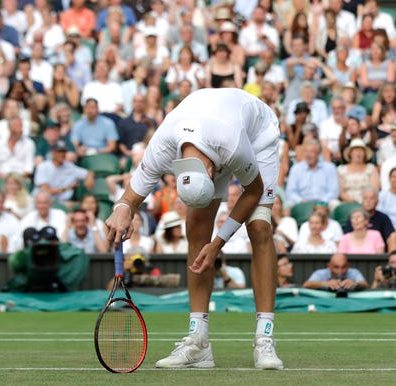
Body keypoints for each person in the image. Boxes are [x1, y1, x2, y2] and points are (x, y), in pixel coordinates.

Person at [104, 88, 284, 370]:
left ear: (212, 172)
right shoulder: (161, 148)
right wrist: (121, 211)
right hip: (209, 124)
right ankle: (198, 341)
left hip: (255, 133)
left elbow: (253, 190)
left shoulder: (232, 144)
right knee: (196, 225)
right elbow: (128, 199)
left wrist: (218, 244)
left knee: (259, 227)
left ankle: (265, 338)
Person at [285, 139, 340, 206]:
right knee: (289, 204)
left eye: (311, 152)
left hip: (324, 203)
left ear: (319, 154)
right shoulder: (296, 168)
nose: (308, 155)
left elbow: (334, 191)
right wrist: (301, 201)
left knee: (335, 203)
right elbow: (290, 192)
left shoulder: (329, 168)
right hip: (302, 204)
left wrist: (321, 203)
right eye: (306, 151)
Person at [302, 253, 369, 293]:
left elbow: (365, 284)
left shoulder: (354, 272)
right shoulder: (320, 273)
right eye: (336, 267)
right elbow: (306, 284)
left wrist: (355, 284)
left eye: (344, 267)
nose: (340, 271)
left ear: (348, 266)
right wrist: (326, 283)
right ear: (329, 266)